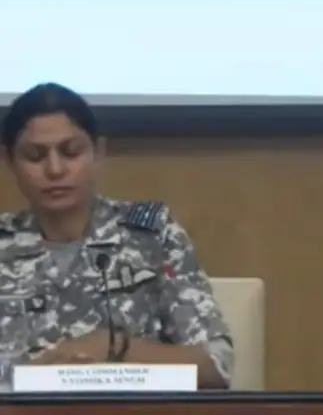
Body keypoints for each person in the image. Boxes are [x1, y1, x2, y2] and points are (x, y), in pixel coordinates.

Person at [0, 83, 233, 389]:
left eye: (71, 152)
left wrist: (115, 346)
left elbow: (216, 366)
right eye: (35, 156)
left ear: (98, 152)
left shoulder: (152, 236)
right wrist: (32, 375)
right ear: (10, 161)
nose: (55, 169)